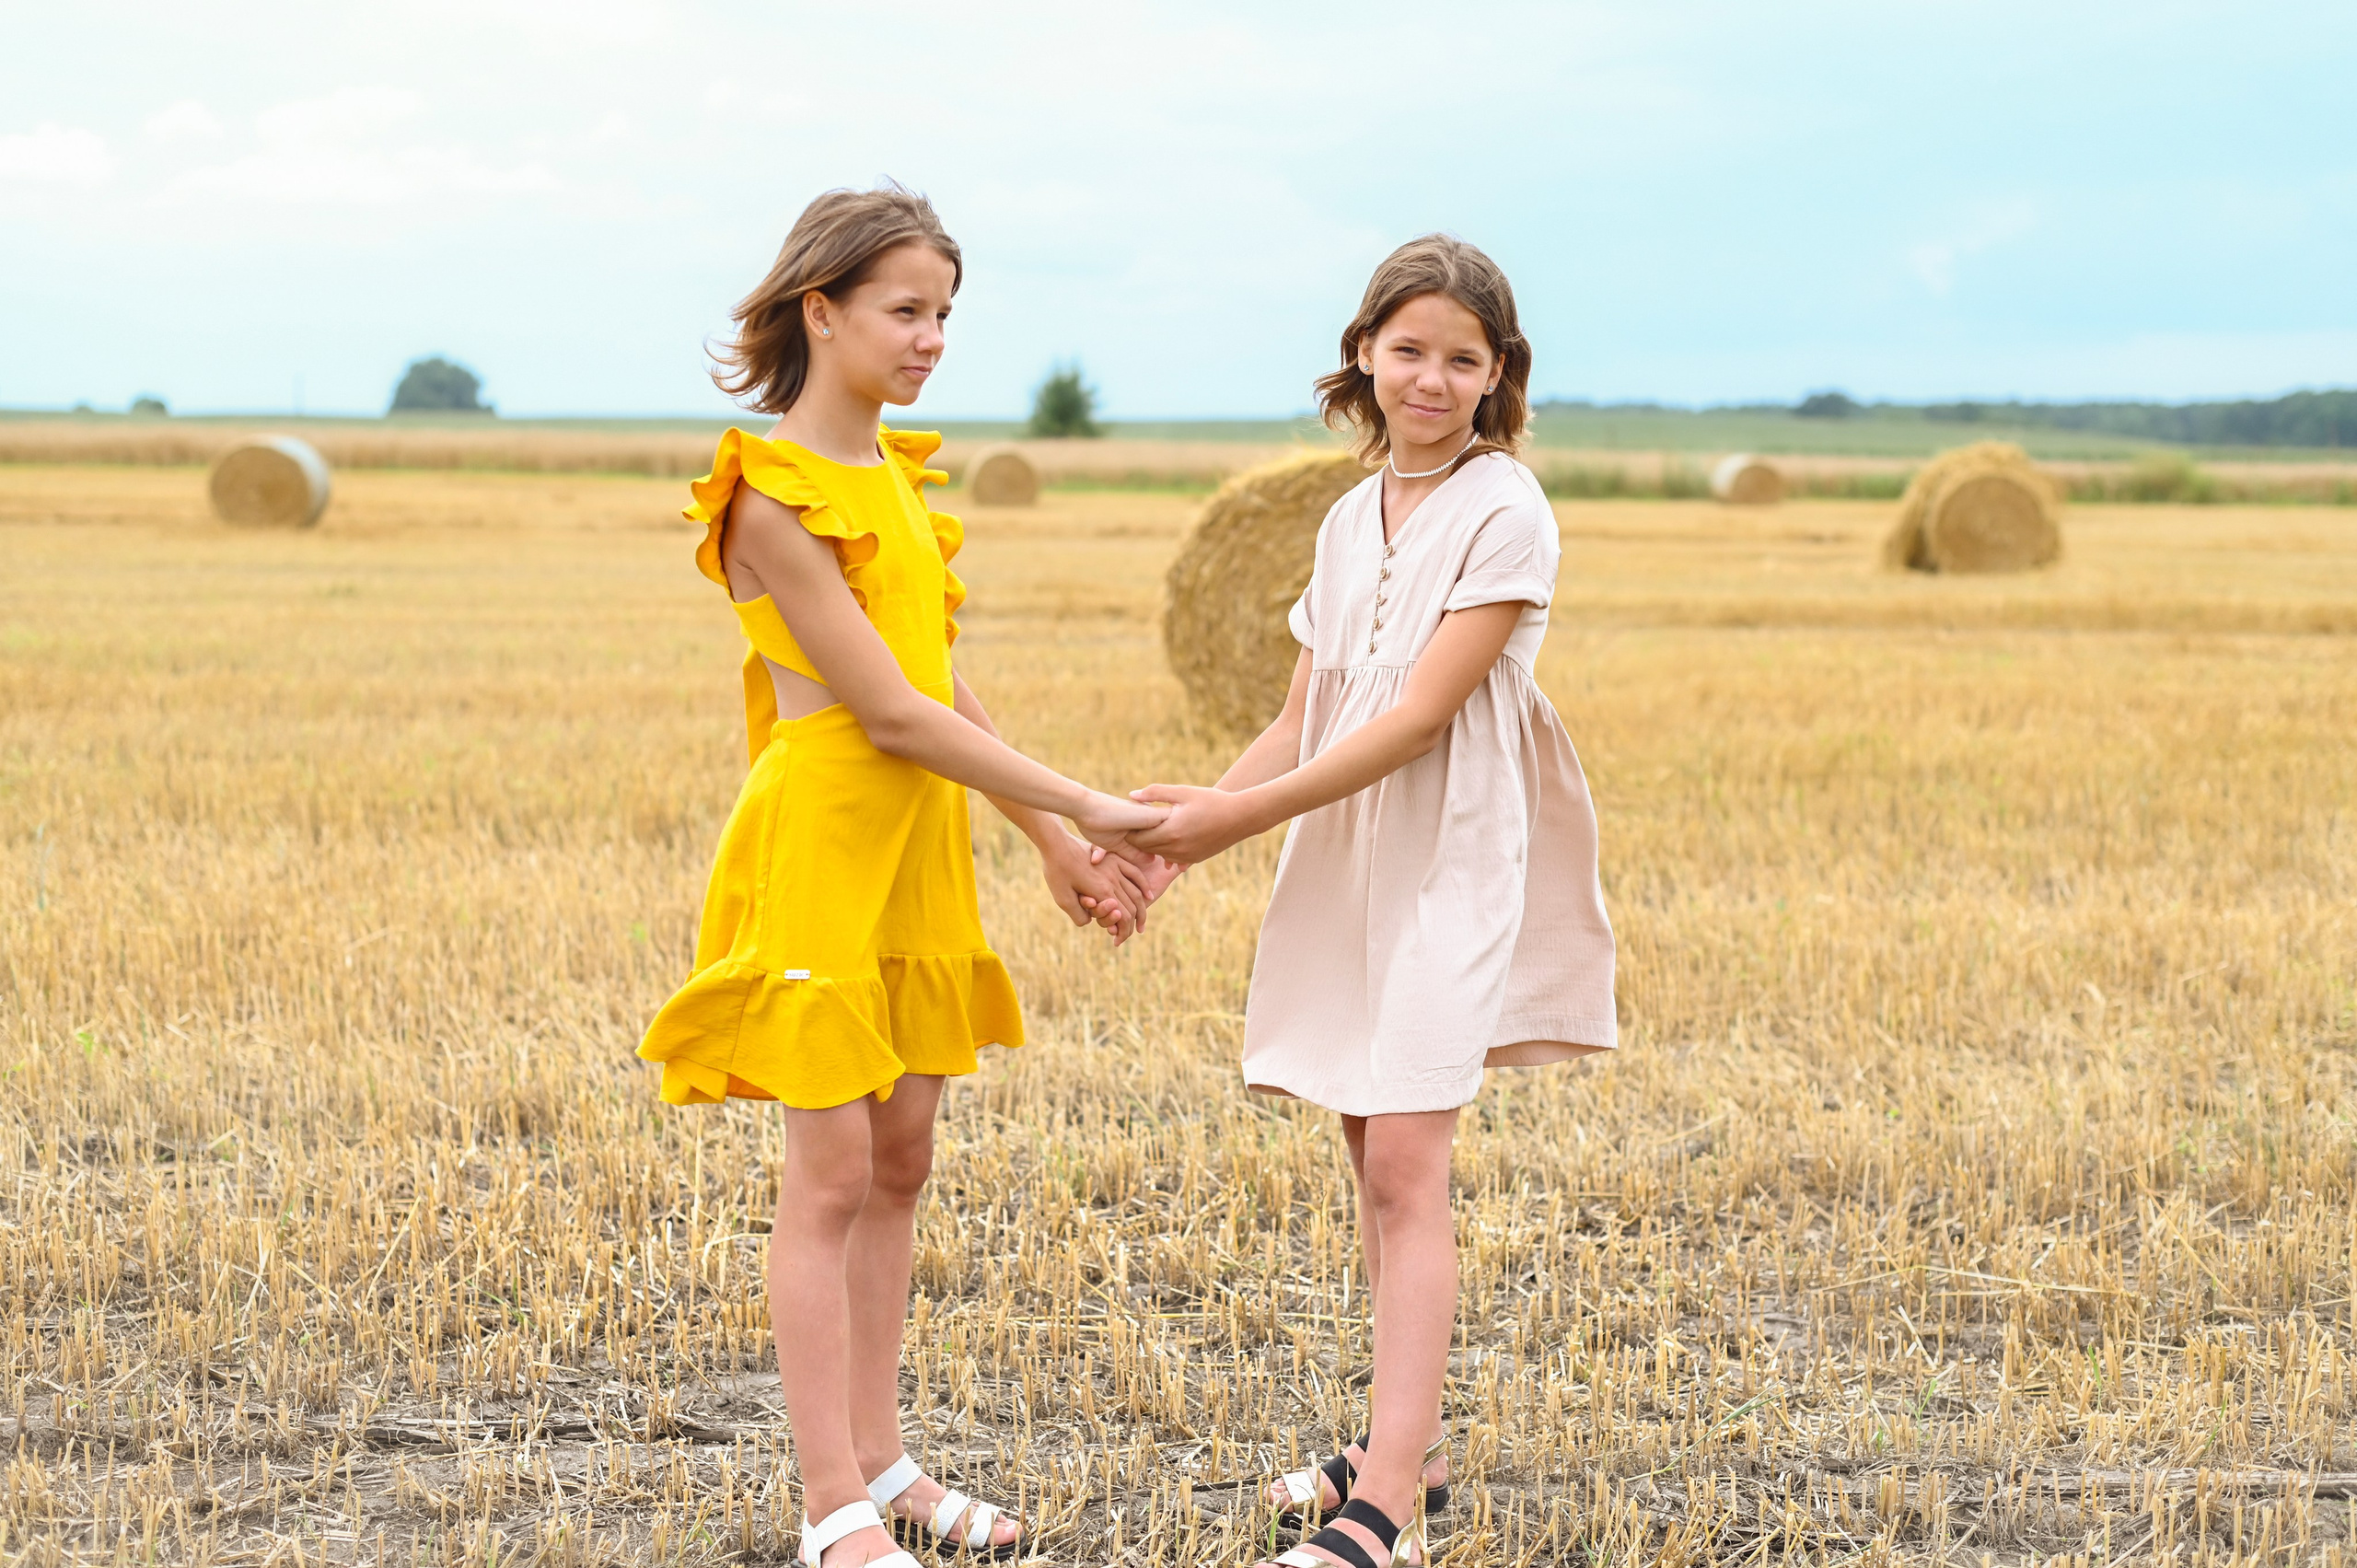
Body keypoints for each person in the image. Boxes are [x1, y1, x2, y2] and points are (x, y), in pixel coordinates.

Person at [637, 182, 1171, 1568]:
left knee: (901, 1157)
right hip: (827, 835)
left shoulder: (900, 481)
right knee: (824, 1175)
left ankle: (889, 1466)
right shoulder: (766, 493)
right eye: (905, 311)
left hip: (923, 847)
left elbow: (947, 687)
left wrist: (1052, 844)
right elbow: (882, 713)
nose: (932, 338)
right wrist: (1095, 800)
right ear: (821, 312)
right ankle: (832, 1508)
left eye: (944, 313)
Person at [1129, 235, 1619, 1568]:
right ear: (1363, 354)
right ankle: (1413, 1437)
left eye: (1464, 358)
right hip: (1344, 853)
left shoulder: (1507, 508)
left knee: (1408, 1159)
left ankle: (1390, 1496)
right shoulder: (1348, 520)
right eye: (1409, 349)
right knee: (1369, 1149)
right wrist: (1176, 845)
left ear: (1497, 376)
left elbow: (1412, 723)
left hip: (1448, 858)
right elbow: (1305, 716)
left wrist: (1231, 819)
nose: (1432, 376)